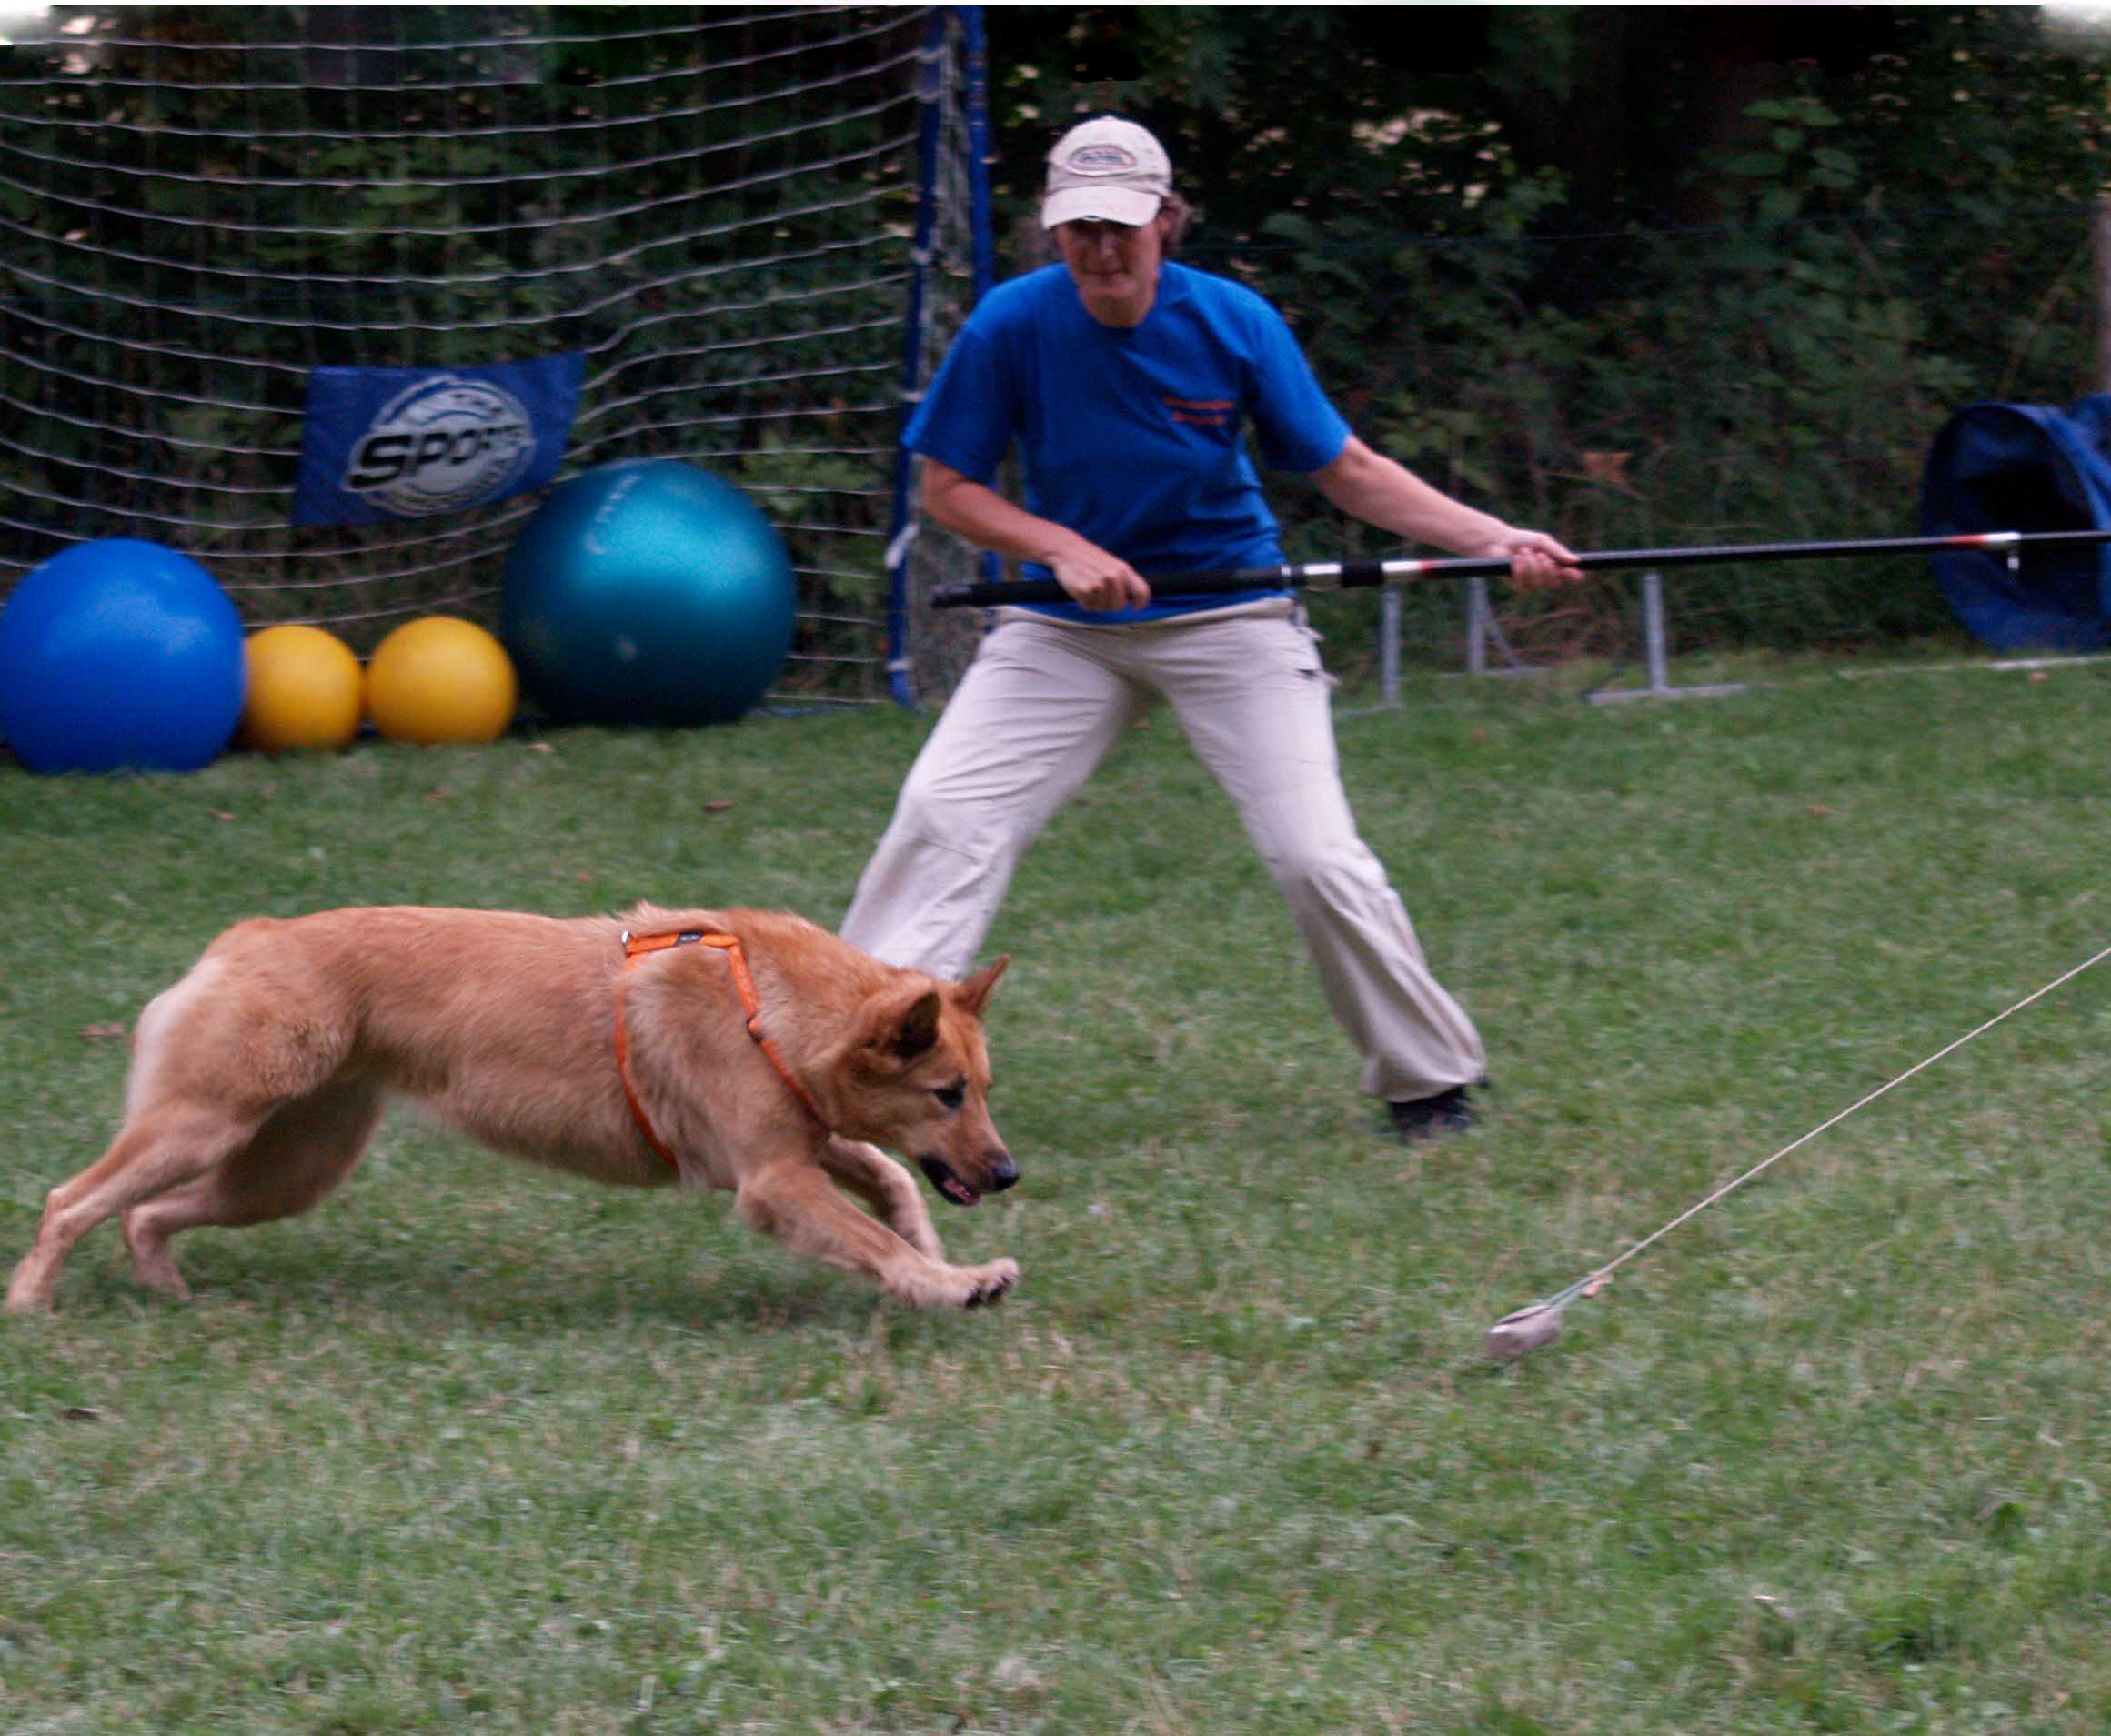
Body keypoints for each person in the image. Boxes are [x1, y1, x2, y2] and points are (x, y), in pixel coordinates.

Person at [841, 116, 1579, 1140]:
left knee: (1317, 858)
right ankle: (848, 1063)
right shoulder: (1011, 325)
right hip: (1065, 625)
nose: (1102, 249)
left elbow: (1347, 469)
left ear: (1167, 221)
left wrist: (1496, 537)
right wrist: (1059, 548)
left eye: (1124, 227)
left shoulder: (1233, 322)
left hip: (1230, 615)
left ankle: (1428, 1079)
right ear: (1054, 230)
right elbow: (948, 490)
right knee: (942, 815)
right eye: (1080, 228)